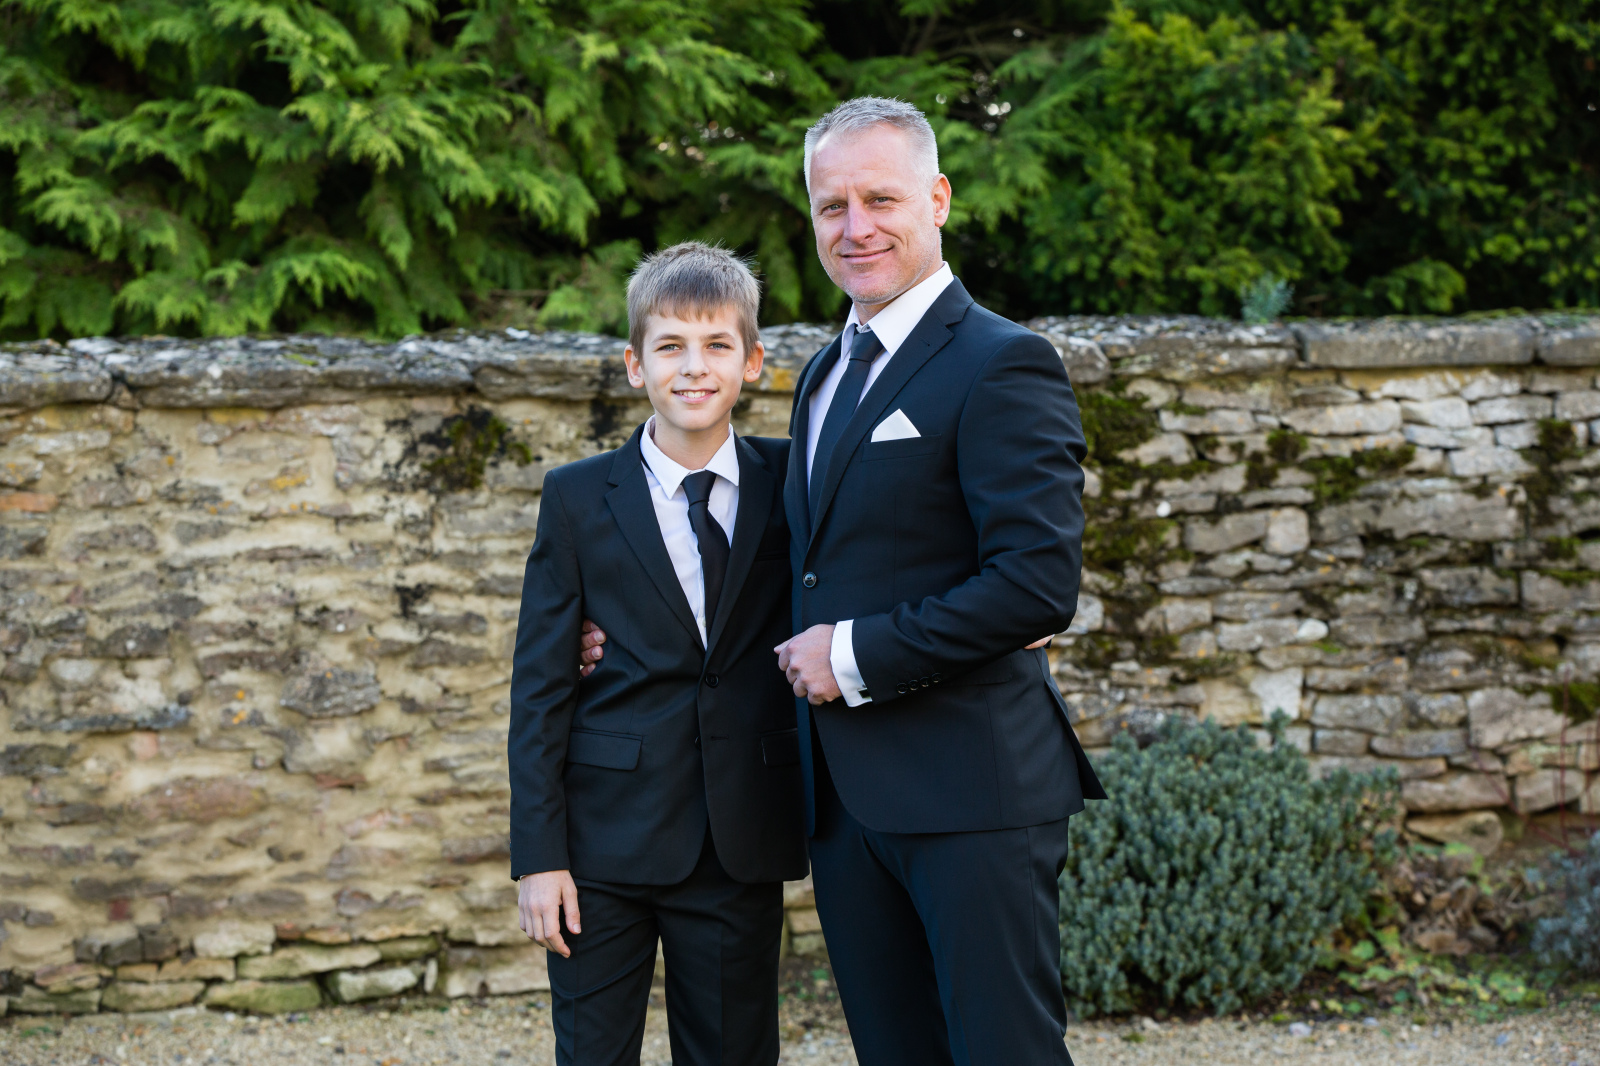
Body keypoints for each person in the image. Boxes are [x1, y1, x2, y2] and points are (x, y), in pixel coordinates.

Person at [582, 97, 1106, 1066]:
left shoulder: (1002, 362)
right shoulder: (825, 374)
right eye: (832, 205)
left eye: (880, 199)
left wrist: (854, 654)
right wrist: (623, 627)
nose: (855, 226)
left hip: (972, 791)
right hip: (845, 802)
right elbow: (801, 566)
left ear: (937, 199)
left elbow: (1037, 584)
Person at [508, 242, 806, 1066]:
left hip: (739, 837)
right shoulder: (576, 496)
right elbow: (539, 688)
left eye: (717, 346)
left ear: (752, 362)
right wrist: (539, 859)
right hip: (602, 844)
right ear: (636, 364)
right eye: (670, 346)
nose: (694, 367)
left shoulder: (793, 482)